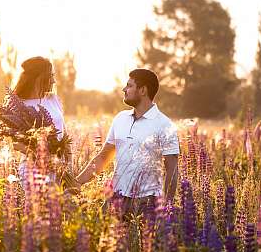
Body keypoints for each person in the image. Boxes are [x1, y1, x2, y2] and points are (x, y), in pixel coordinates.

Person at [75, 68, 179, 219]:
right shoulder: (120, 119)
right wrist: (77, 182)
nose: (124, 89)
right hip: (116, 197)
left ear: (143, 90)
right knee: (103, 239)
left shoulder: (164, 125)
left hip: (147, 202)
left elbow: (172, 170)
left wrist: (166, 207)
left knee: (142, 243)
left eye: (129, 86)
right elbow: (104, 157)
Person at [12, 56, 66, 185]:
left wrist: (66, 162)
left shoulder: (53, 99)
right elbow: (16, 144)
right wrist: (45, 159)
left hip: (59, 168)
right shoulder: (19, 105)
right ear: (39, 77)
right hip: (32, 171)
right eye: (50, 76)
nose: (53, 81)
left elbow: (65, 133)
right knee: (36, 205)